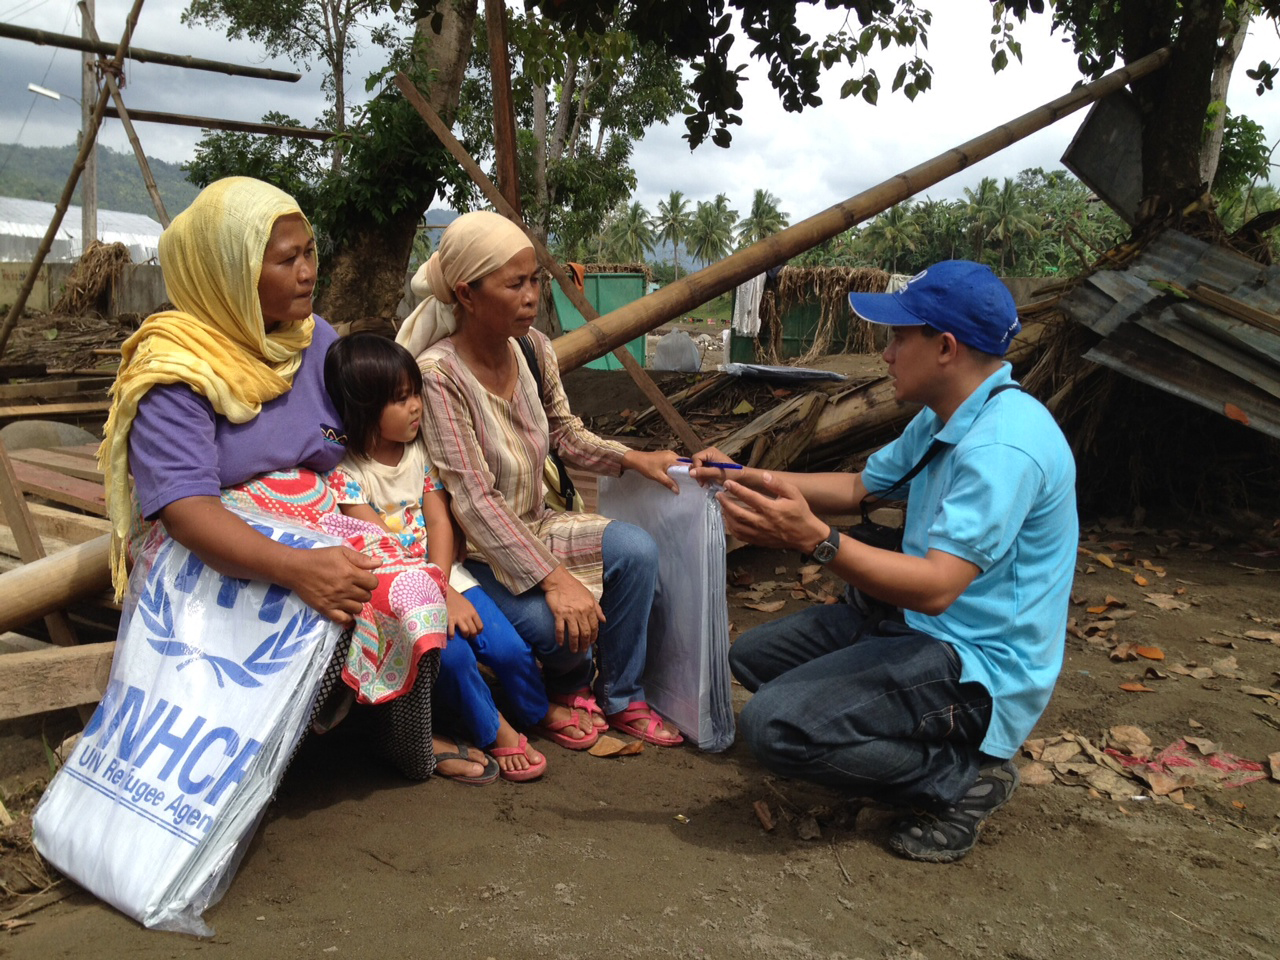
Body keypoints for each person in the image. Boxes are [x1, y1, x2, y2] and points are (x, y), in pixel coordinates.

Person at [97, 176, 497, 785]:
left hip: (318, 513)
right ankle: (265, 759)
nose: (308, 271)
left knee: (411, 584)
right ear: (230, 272)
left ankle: (400, 738)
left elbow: (357, 441)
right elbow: (184, 510)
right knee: (342, 597)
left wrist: (392, 521)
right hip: (216, 541)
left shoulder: (315, 342)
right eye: (288, 260)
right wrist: (297, 568)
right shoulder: (175, 370)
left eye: (309, 251)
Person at [691, 260, 1077, 863]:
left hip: (975, 659)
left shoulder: (1004, 447)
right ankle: (878, 729)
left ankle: (959, 776)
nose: (888, 353)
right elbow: (857, 489)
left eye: (899, 337)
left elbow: (938, 588)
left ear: (945, 347)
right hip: (912, 620)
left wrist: (816, 541)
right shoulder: (945, 416)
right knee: (753, 658)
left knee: (775, 727)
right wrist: (741, 473)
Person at [402, 210, 684, 747]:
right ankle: (568, 684)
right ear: (466, 293)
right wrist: (557, 580)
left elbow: (566, 434)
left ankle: (621, 695)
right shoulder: (439, 377)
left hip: (539, 523)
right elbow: (474, 500)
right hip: (479, 552)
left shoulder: (534, 350)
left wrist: (632, 457)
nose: (531, 296)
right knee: (565, 634)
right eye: (515, 284)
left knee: (637, 551)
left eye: (535, 280)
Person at [325, 332, 590, 782]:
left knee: (508, 649)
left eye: (415, 394)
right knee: (455, 660)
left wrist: (445, 585)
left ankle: (534, 709)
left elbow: (441, 522)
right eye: (400, 398)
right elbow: (380, 544)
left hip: (446, 577)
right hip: (398, 593)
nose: (416, 407)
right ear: (364, 406)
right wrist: (437, 592)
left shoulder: (419, 455)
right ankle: (494, 730)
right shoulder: (346, 474)